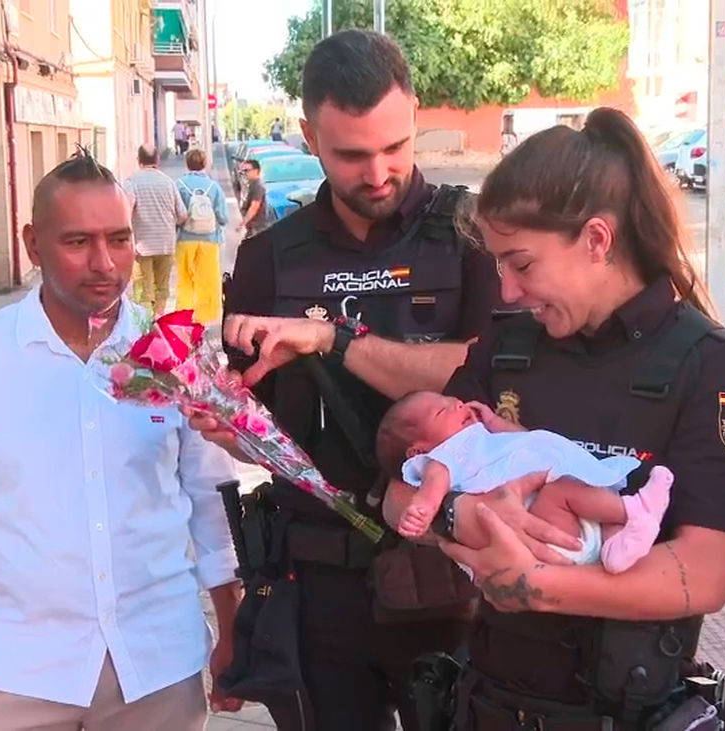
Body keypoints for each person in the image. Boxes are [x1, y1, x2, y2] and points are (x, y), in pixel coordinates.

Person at [378, 107, 725, 729]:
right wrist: (459, 513)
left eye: (522, 264)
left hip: (620, 707)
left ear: (596, 240)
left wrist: (536, 583)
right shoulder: (508, 347)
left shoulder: (708, 365)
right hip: (490, 701)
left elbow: (706, 572)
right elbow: (399, 492)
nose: (506, 291)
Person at [188, 29, 502, 731]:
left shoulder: (476, 235)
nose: (379, 172)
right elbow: (258, 435)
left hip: (453, 579)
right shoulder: (271, 260)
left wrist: (340, 342)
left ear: (415, 114)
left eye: (395, 147)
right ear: (308, 136)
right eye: (352, 155)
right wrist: (229, 427)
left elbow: (496, 378)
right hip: (319, 582)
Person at [0, 151, 243, 731]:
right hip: (16, 674)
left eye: (119, 239)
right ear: (33, 243)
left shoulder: (177, 357)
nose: (104, 264)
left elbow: (212, 498)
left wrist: (233, 629)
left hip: (157, 667)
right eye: (77, 242)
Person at [378, 390, 674, 573]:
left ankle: (615, 548)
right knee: (569, 489)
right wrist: (425, 508)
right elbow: (435, 482)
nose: (458, 405)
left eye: (454, 401)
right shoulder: (441, 457)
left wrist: (494, 424)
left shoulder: (482, 440)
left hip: (563, 538)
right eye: (443, 410)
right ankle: (635, 511)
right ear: (418, 450)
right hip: (546, 531)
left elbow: (516, 440)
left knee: (588, 490)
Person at [123, 145, 186, 315]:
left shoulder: (131, 182)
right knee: (162, 288)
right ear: (157, 160)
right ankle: (158, 322)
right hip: (166, 244)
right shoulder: (169, 182)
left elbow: (126, 212)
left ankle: (145, 325)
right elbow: (182, 215)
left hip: (141, 246)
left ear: (139, 160)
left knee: (144, 288)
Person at [175, 148, 231, 325]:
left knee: (185, 279)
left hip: (185, 239)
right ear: (204, 164)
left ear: (187, 164)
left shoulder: (179, 185)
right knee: (208, 280)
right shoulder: (213, 187)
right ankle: (205, 317)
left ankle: (184, 314)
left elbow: (176, 213)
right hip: (209, 239)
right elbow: (223, 217)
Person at [238, 159, 267, 237]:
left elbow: (254, 207)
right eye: (243, 171)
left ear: (256, 171)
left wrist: (243, 223)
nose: (245, 173)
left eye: (247, 170)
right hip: (252, 227)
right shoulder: (252, 185)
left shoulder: (258, 186)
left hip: (257, 228)